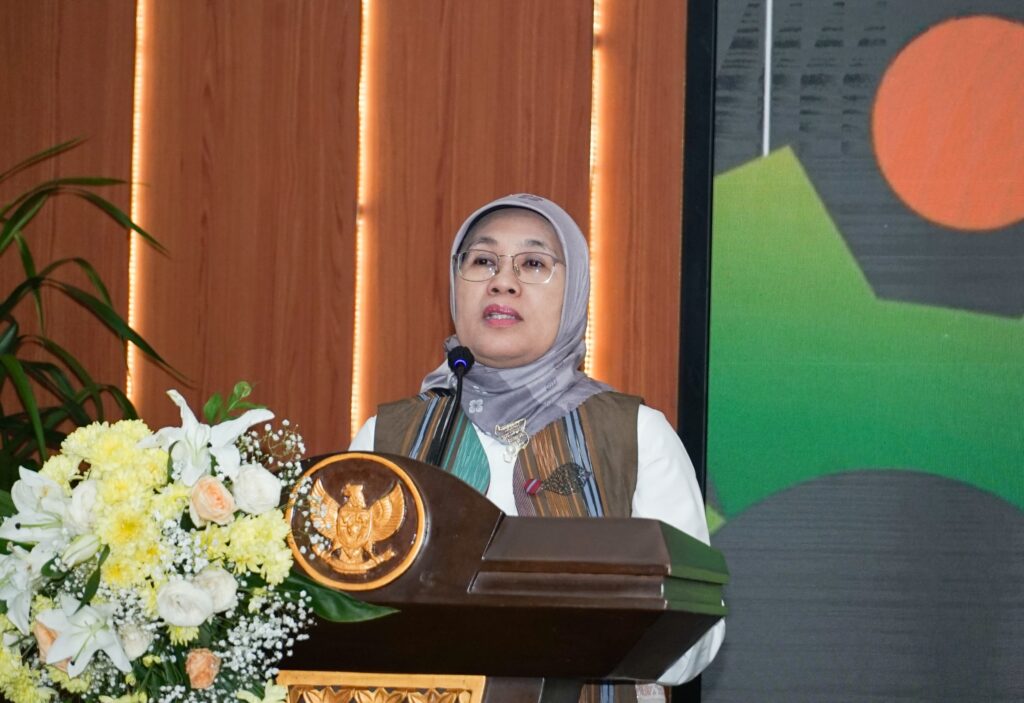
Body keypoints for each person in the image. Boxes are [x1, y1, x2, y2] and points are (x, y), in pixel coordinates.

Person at [350, 193, 724, 701]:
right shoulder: (389, 437)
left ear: (575, 292)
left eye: (532, 264)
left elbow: (697, 632)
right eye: (483, 261)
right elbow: (337, 605)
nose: (502, 281)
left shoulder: (635, 434)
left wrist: (589, 634)